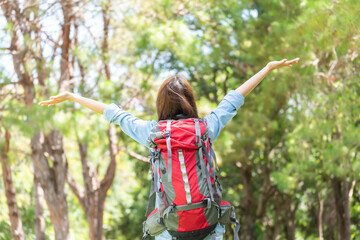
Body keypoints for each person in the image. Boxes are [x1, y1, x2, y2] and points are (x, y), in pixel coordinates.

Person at [39, 58, 299, 239]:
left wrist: (74, 96)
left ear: (161, 104)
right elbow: (234, 99)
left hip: (170, 227)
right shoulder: (205, 129)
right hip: (209, 223)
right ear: (190, 101)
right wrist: (267, 68)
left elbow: (114, 113)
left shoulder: (153, 134)